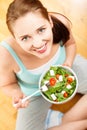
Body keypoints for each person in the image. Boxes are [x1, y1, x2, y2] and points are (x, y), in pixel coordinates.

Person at [0, 0, 87, 130]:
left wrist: (68, 62)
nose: (38, 43)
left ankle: (64, 121)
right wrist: (17, 93)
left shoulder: (61, 22)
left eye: (41, 30)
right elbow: (6, 84)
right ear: (14, 38)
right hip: (35, 93)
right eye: (25, 38)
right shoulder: (5, 54)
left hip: (67, 69)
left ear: (50, 22)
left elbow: (70, 44)